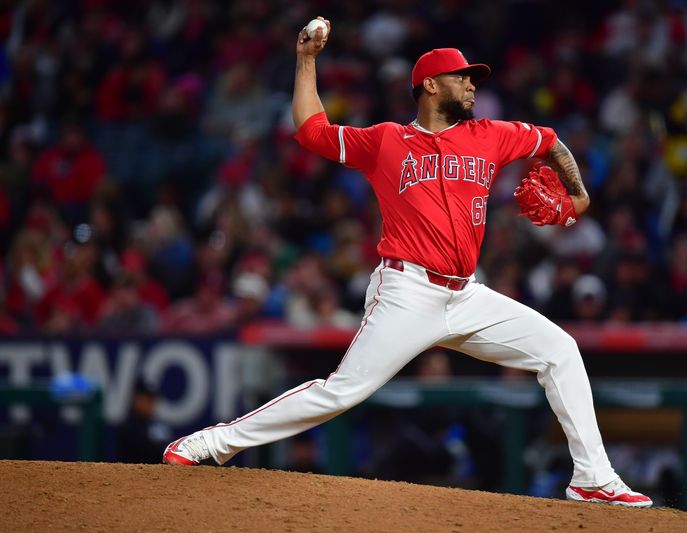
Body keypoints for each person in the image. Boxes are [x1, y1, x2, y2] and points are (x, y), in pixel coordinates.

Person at [163, 18, 652, 508]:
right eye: (462, 77)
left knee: (560, 350)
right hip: (407, 291)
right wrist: (307, 60)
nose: (471, 85)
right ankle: (212, 443)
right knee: (341, 392)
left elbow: (551, 141)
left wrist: (579, 197)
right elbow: (311, 130)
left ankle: (593, 476)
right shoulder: (386, 141)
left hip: (467, 293)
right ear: (431, 85)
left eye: (472, 78)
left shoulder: (491, 134)